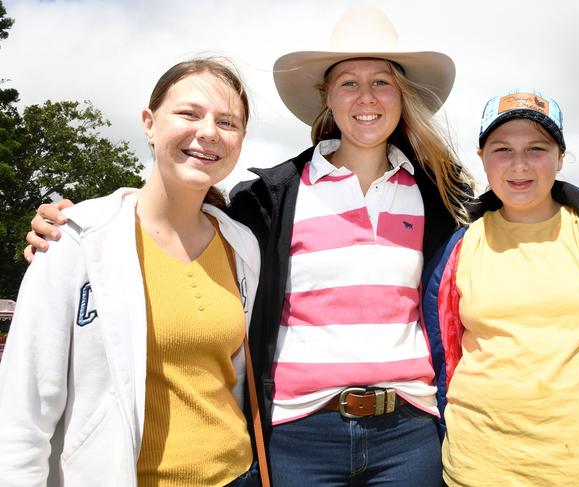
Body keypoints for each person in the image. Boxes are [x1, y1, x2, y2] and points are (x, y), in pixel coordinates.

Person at [25, 6, 474, 485]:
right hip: (299, 433)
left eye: (381, 82)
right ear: (327, 97)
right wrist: (95, 220)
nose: (366, 97)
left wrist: (568, 197)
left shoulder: (441, 198)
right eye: (348, 82)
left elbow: (516, 214)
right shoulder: (268, 198)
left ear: (402, 95)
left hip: (408, 434)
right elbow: (183, 205)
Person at [1, 57, 262, 486]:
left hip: (237, 476)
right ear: (149, 122)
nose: (209, 132)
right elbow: (22, 413)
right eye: (189, 113)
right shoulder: (76, 238)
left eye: (227, 122)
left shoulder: (243, 246)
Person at [421, 88, 579, 486]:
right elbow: (441, 357)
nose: (519, 166)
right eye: (503, 150)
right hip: (477, 469)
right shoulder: (456, 250)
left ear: (561, 157)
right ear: (483, 159)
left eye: (537, 149)